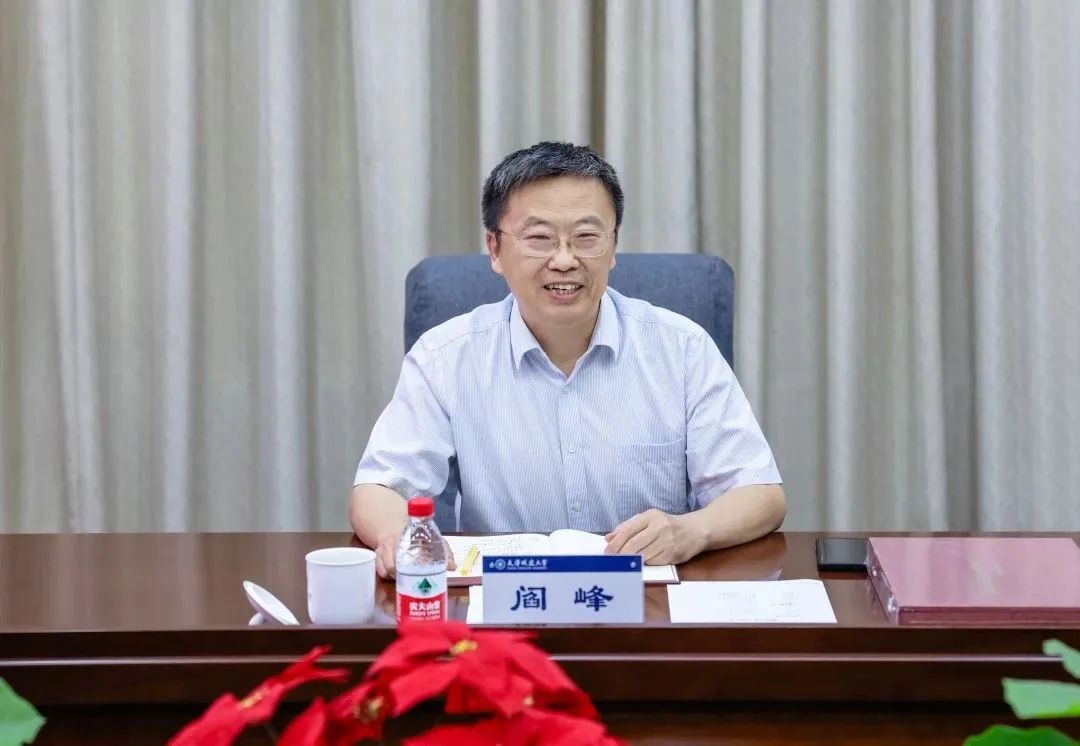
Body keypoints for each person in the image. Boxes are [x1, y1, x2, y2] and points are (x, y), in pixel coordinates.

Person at [349, 141, 785, 579]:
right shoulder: (445, 357)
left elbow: (760, 494)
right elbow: (379, 488)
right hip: (505, 602)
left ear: (613, 247)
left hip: (647, 603)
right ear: (495, 249)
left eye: (586, 237)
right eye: (539, 238)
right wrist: (401, 538)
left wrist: (691, 531)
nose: (564, 260)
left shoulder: (682, 348)